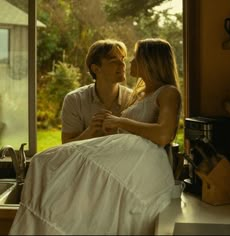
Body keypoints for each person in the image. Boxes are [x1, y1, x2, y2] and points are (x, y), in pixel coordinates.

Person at [9, 38, 182, 235]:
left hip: (139, 166)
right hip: (123, 162)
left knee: (43, 162)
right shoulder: (140, 95)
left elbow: (163, 135)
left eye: (133, 58)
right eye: (116, 60)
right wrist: (99, 129)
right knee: (43, 162)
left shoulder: (165, 93)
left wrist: (118, 122)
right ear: (96, 68)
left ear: (151, 62)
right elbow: (71, 143)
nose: (127, 63)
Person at [61, 39, 132, 144]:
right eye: (114, 61)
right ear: (96, 69)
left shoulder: (133, 99)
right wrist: (91, 130)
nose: (122, 65)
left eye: (122, 59)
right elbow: (66, 146)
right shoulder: (74, 100)